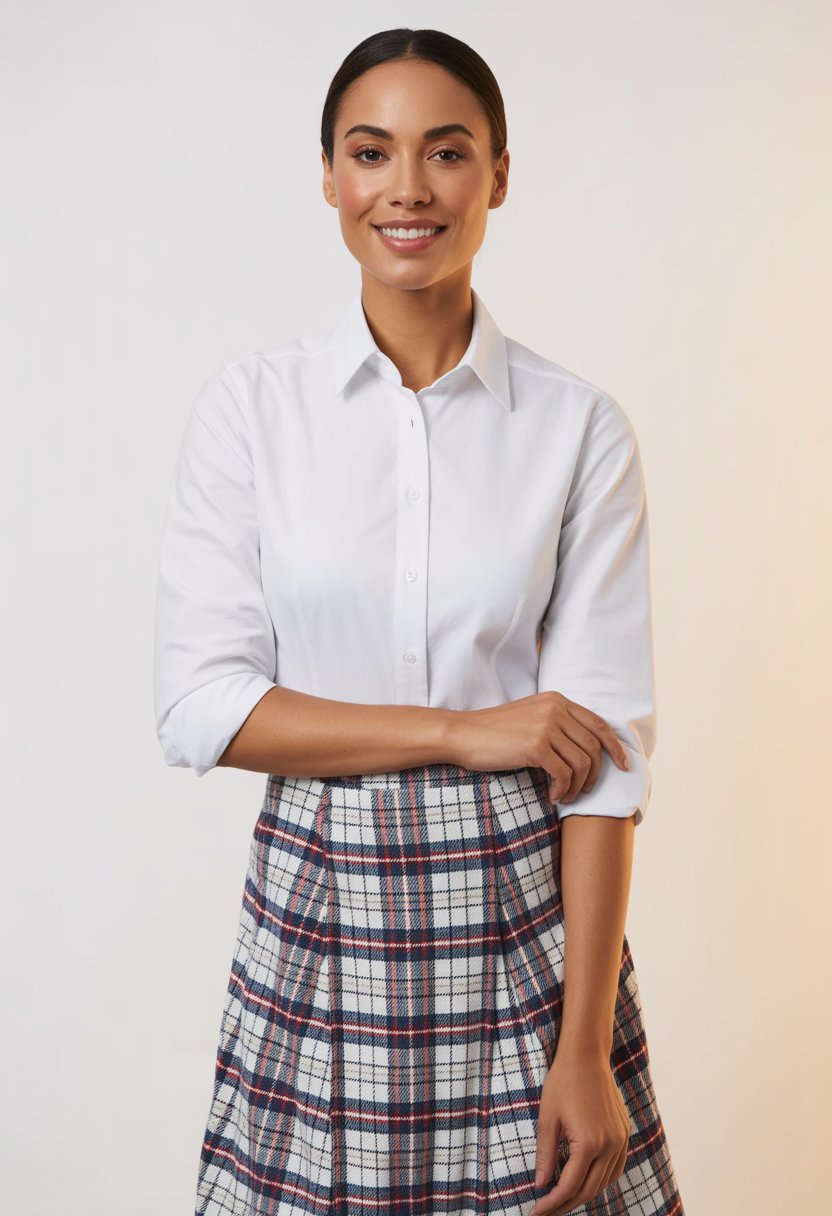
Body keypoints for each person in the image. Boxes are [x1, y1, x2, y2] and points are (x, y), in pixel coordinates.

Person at [153, 26, 685, 1216]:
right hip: (320, 902)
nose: (407, 188)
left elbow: (605, 765)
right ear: (328, 176)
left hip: (521, 913)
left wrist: (584, 1044)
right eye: (370, 152)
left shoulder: (577, 427)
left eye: (445, 152)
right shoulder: (253, 410)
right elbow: (200, 708)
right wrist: (460, 730)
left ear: (498, 173)